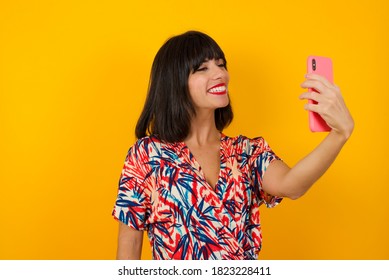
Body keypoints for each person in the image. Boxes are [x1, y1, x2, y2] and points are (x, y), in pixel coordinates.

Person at [112, 31, 354, 260]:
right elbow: (129, 245)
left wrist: (339, 134)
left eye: (221, 64)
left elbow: (292, 186)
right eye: (203, 68)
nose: (220, 74)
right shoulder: (146, 156)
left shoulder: (246, 152)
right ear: (175, 82)